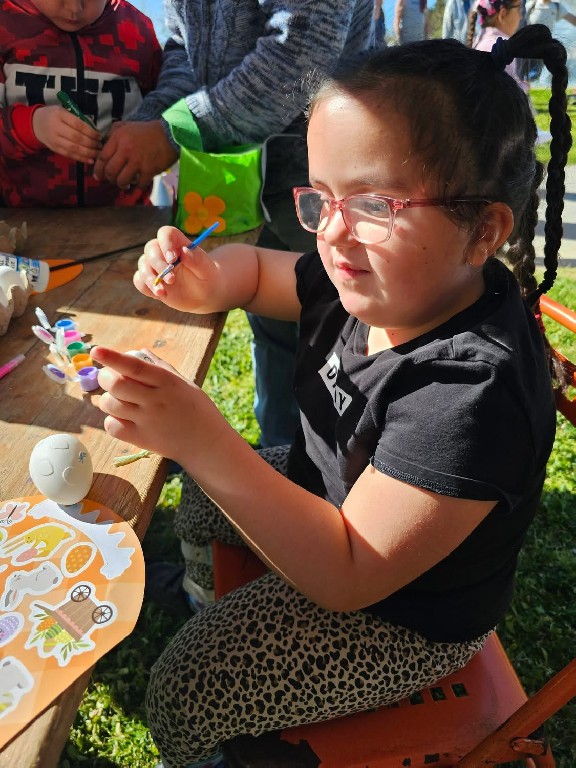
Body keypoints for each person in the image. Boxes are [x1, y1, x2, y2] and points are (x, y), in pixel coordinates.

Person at [92, 24, 570, 768]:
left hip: (402, 615)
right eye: (322, 196)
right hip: (332, 506)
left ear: (483, 232)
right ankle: (207, 597)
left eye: (375, 203)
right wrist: (208, 279)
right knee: (202, 501)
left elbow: (349, 573)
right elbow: (259, 273)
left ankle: (219, 742)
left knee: (186, 684)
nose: (334, 232)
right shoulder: (379, 282)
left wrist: (200, 438)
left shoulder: (472, 390)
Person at [92, 1, 376, 450]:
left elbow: (299, 48)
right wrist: (154, 124)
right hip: (255, 177)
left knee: (347, 328)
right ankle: (283, 447)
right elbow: (184, 47)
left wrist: (173, 131)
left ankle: (343, 455)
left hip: (323, 175)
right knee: (277, 328)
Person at [0, 0, 161, 207]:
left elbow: (168, 111)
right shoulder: (5, 24)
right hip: (21, 218)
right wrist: (32, 126)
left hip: (126, 215)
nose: (74, 8)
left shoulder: (139, 30)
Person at [468, 0, 526, 89]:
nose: (520, 17)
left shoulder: (481, 39)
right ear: (502, 15)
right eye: (519, 10)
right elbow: (505, 93)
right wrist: (523, 88)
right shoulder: (501, 47)